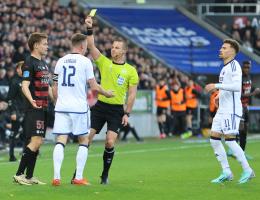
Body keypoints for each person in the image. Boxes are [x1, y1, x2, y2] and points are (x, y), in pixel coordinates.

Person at [51, 33, 114, 186]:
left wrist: (57, 102)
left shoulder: (60, 61)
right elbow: (93, 87)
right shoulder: (85, 61)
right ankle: (78, 177)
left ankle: (56, 177)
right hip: (78, 107)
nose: (86, 49)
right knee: (83, 140)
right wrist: (106, 93)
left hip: (62, 106)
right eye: (86, 46)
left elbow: (54, 86)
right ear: (81, 46)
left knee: (61, 139)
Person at [84, 16, 139, 184]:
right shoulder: (104, 63)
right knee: (87, 138)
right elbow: (91, 46)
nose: (112, 49)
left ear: (123, 51)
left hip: (116, 110)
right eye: (112, 47)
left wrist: (127, 113)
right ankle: (78, 174)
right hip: (100, 107)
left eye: (116, 48)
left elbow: (131, 95)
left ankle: (104, 175)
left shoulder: (131, 70)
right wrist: (89, 28)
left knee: (109, 141)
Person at [205, 39, 255, 184]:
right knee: (214, 139)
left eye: (224, 48)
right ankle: (226, 171)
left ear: (232, 51)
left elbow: (235, 87)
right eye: (221, 47)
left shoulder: (235, 66)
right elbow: (227, 87)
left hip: (231, 109)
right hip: (222, 109)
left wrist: (215, 85)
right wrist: (219, 95)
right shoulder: (225, 67)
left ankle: (248, 170)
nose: (221, 50)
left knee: (230, 140)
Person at [13, 32, 51, 185]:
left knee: (38, 141)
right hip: (34, 108)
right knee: (35, 141)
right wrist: (32, 101)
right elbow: (25, 86)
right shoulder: (29, 62)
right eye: (44, 43)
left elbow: (47, 86)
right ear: (36, 45)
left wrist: (57, 100)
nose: (47, 46)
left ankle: (29, 176)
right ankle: (19, 174)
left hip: (44, 107)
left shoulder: (43, 63)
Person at [227, 60, 260, 159]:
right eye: (245, 67)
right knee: (239, 128)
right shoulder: (239, 78)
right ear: (242, 67)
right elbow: (238, 94)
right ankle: (232, 150)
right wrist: (253, 94)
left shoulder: (249, 78)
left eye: (248, 67)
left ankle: (241, 152)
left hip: (245, 107)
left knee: (244, 130)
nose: (246, 69)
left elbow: (250, 90)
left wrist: (256, 93)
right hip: (238, 106)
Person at [7, 61, 25, 162]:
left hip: (25, 111)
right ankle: (11, 155)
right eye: (22, 68)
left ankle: (25, 154)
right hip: (17, 111)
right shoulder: (14, 82)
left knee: (27, 133)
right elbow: (10, 98)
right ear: (17, 69)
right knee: (14, 133)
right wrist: (13, 112)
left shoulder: (26, 80)